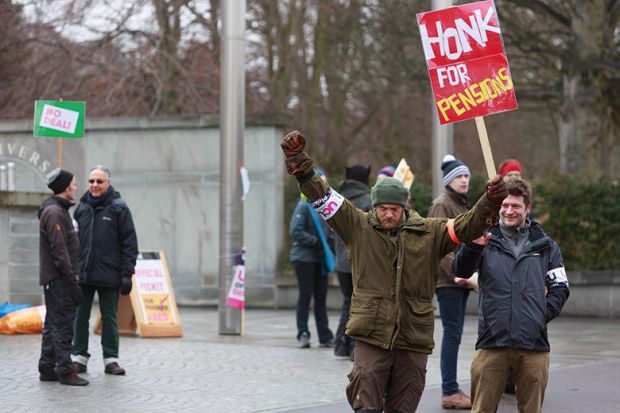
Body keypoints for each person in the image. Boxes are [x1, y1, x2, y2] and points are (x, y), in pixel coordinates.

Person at [280, 130, 507, 412]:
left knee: (404, 406)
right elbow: (324, 197)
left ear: (404, 208)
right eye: (383, 208)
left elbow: (466, 226)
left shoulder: (429, 232)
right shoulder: (357, 226)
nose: (388, 214)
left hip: (413, 338)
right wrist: (300, 164)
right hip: (371, 335)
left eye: (394, 209)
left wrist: (490, 202)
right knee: (365, 401)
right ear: (374, 206)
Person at [452, 179, 570, 413]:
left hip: (533, 345)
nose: (508, 211)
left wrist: (539, 316)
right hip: (491, 341)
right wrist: (473, 246)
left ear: (528, 208)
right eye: (504, 205)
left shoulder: (546, 245)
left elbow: (561, 287)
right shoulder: (484, 237)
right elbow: (460, 270)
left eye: (515, 206)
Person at [71, 166, 138, 375]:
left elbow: (129, 242)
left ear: (108, 183)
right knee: (80, 317)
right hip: (84, 274)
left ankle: (111, 360)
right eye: (91, 181)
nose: (95, 185)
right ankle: (79, 358)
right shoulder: (80, 208)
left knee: (109, 317)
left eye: (99, 181)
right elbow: (72, 242)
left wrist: (127, 273)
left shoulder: (119, 208)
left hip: (110, 274)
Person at [428, 154, 473, 409]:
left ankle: (452, 388)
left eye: (466, 175)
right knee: (452, 335)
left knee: (454, 334)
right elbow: (438, 247)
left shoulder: (460, 204)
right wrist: (459, 273)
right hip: (449, 281)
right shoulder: (442, 205)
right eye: (458, 176)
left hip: (460, 279)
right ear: (449, 181)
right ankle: (449, 390)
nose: (464, 180)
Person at [38, 168, 89, 386]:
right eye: (74, 183)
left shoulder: (59, 210)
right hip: (60, 279)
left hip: (58, 279)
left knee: (53, 323)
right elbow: (60, 251)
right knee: (62, 325)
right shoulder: (55, 213)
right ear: (66, 187)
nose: (76, 187)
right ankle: (66, 371)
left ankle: (47, 367)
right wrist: (71, 282)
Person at [289, 168, 335, 348]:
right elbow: (296, 231)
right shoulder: (303, 205)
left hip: (319, 258)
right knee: (305, 296)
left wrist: (328, 243)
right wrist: (316, 242)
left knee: (321, 297)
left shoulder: (323, 206)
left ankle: (325, 335)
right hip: (304, 258)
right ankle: (303, 333)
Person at [333, 165, 372, 359]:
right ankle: (354, 346)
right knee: (360, 305)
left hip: (341, 262)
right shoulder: (367, 201)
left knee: (348, 302)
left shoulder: (339, 200)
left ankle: (341, 343)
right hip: (360, 261)